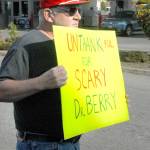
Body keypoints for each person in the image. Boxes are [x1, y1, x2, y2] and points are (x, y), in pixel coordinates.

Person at [0, 0, 89, 150]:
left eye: (79, 10)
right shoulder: (27, 44)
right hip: (42, 144)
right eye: (71, 10)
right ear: (49, 15)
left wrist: (112, 98)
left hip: (71, 143)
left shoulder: (71, 43)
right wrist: (41, 82)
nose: (78, 16)